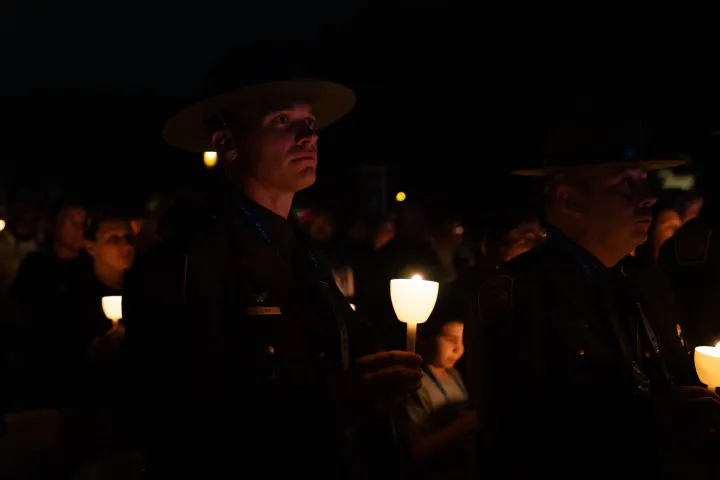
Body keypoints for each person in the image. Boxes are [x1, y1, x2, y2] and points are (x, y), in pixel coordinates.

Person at [122, 45, 423, 479]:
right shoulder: (189, 257)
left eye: (311, 123)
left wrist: (383, 371)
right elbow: (177, 417)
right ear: (227, 142)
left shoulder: (308, 253)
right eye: (282, 121)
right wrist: (336, 399)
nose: (308, 136)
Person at [466, 126, 720, 479]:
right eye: (626, 184)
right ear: (569, 200)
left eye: (646, 181)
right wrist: (649, 420)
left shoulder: (643, 282)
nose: (648, 197)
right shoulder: (519, 292)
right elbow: (517, 432)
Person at [397, 300, 477, 480]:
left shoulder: (454, 374)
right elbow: (415, 451)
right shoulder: (415, 383)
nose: (459, 349)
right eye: (450, 339)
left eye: (463, 340)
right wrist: (464, 425)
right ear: (422, 336)